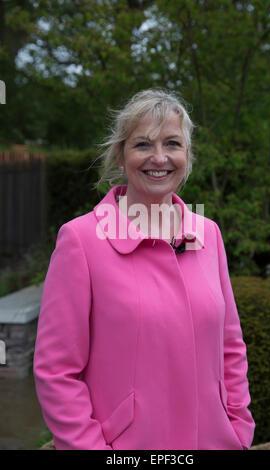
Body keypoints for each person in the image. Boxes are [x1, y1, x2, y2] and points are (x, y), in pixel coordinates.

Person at [33, 88, 255, 450]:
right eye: (142, 145)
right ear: (120, 155)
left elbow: (231, 346)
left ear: (187, 155)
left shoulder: (208, 234)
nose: (159, 158)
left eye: (172, 143)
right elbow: (56, 371)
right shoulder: (81, 240)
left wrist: (238, 428)